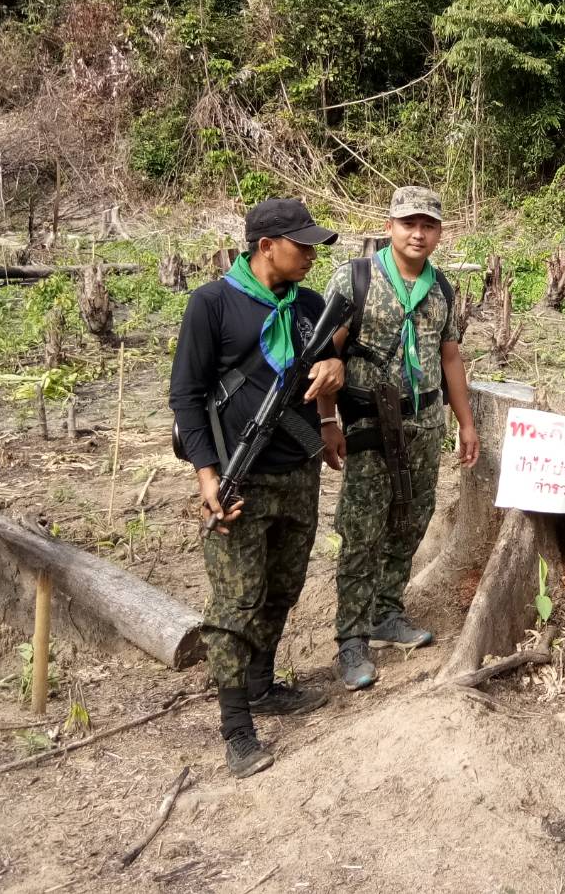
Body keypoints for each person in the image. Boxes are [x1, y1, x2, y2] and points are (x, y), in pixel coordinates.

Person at [170, 198, 347, 778]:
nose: (312, 256)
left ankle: (263, 684)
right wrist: (206, 474)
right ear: (266, 247)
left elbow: (327, 371)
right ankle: (237, 728)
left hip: (300, 470)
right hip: (238, 477)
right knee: (235, 603)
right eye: (302, 245)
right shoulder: (212, 304)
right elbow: (186, 397)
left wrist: (333, 386)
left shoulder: (312, 306)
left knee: (283, 587)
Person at [325, 186, 479, 692]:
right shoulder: (355, 278)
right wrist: (328, 421)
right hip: (368, 422)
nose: (418, 234)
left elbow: (449, 356)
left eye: (428, 225)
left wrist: (465, 422)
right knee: (362, 527)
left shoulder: (442, 289)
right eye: (409, 223)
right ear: (390, 226)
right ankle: (351, 638)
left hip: (424, 421)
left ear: (439, 232)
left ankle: (387, 612)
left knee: (411, 517)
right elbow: (327, 355)